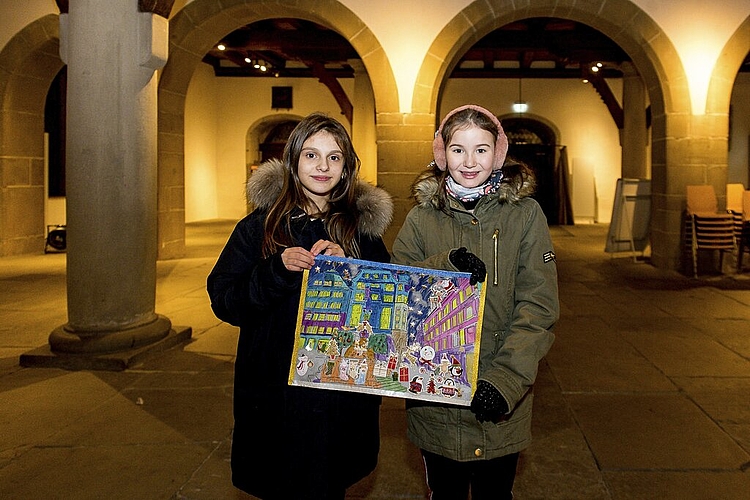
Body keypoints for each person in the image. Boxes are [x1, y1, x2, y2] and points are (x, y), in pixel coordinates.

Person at [207, 112, 393, 499]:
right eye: (311, 155)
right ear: (293, 161)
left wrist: (353, 271)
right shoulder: (258, 227)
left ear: (346, 168)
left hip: (339, 398)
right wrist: (275, 270)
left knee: (331, 483)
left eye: (334, 157)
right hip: (275, 393)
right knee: (281, 483)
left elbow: (388, 312)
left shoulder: (362, 233)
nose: (322, 166)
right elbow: (225, 299)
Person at [391, 104, 559, 499]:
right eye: (458, 149)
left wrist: (505, 381)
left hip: (501, 394)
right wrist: (445, 266)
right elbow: (400, 288)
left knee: (495, 492)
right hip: (437, 398)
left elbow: (538, 307)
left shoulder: (525, 214)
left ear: (498, 153)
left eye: (481, 149)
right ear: (441, 153)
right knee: (444, 491)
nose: (469, 161)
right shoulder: (420, 218)